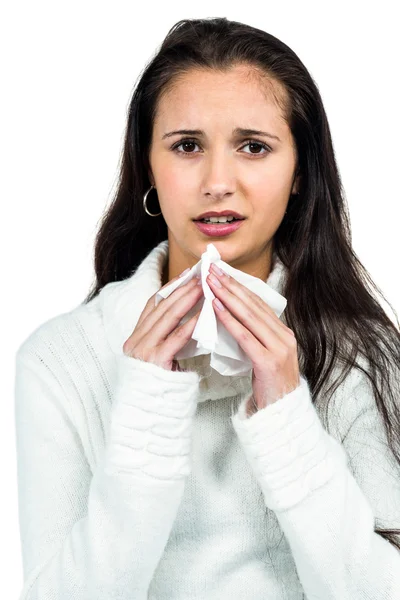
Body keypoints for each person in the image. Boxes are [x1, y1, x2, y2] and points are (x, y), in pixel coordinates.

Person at [14, 17, 400, 600]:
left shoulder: (357, 351)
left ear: (300, 173)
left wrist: (286, 412)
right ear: (148, 165)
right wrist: (146, 404)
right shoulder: (61, 358)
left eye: (254, 147)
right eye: (187, 146)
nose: (218, 182)